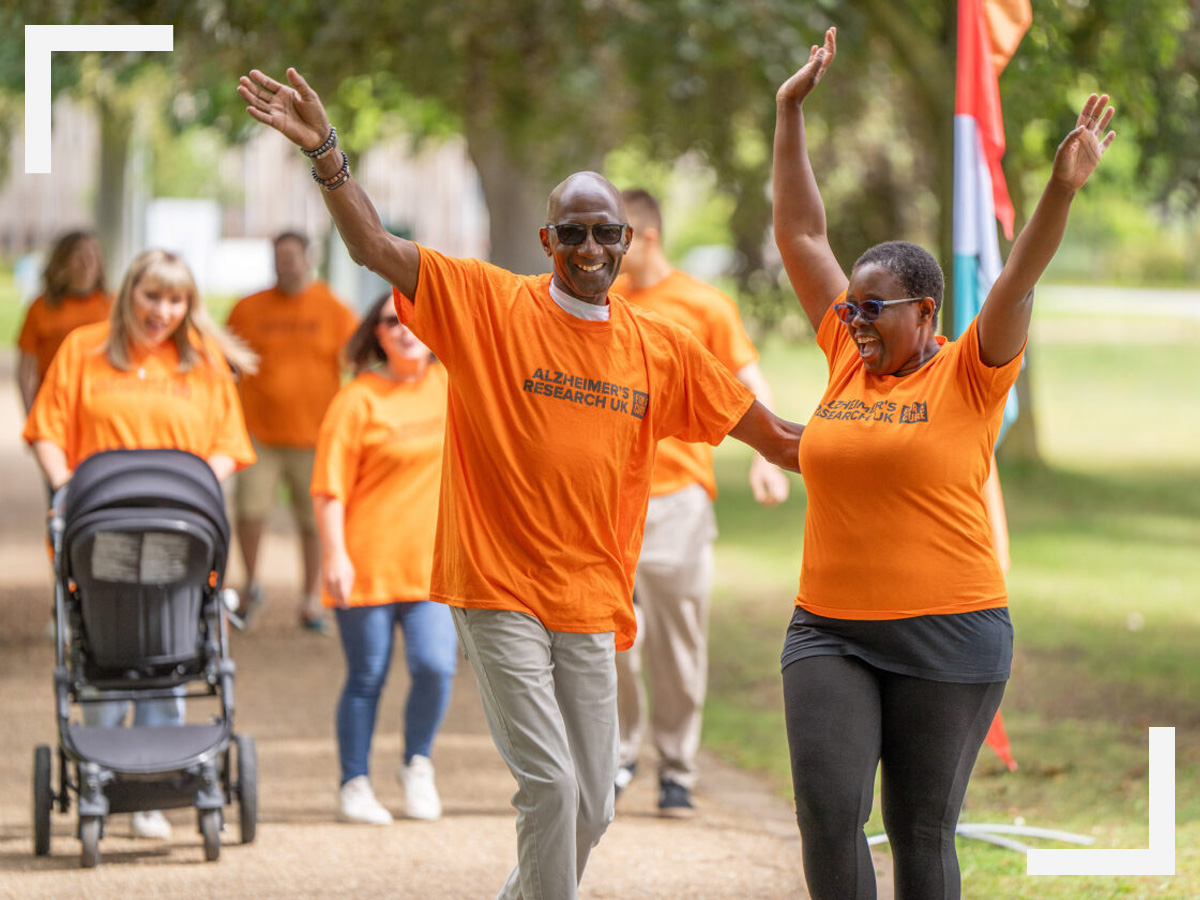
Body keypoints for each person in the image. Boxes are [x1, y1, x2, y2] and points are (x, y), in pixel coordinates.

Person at [239, 66, 804, 900]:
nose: (587, 251)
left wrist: (890, 425)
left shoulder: (663, 349)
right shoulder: (486, 303)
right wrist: (328, 153)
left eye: (603, 234)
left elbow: (781, 439)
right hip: (497, 587)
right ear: (547, 241)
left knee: (595, 804)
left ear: (627, 242)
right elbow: (374, 250)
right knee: (551, 787)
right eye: (571, 233)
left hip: (588, 596)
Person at [772, 28, 1114, 900]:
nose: (852, 320)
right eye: (849, 307)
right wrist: (788, 113)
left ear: (925, 313)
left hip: (952, 634)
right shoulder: (846, 353)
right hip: (829, 630)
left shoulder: (971, 368)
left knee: (923, 837)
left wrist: (1060, 192)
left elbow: (1018, 282)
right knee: (827, 817)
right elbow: (801, 231)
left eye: (873, 308)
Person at [24, 248, 257, 841]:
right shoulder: (83, 350)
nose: (163, 311)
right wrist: (64, 487)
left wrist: (197, 488)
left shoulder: (201, 362)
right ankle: (104, 766)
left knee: (168, 647)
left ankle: (155, 786)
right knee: (105, 647)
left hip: (178, 534)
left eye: (176, 300)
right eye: (152, 297)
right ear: (129, 293)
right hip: (99, 530)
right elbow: (46, 429)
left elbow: (229, 445)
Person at [612, 188, 790, 817]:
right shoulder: (601, 303)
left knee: (678, 642)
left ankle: (677, 768)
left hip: (678, 501)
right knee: (609, 640)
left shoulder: (702, 305)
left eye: (616, 235)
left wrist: (770, 457)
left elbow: (746, 379)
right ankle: (621, 752)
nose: (602, 248)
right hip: (608, 501)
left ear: (647, 236)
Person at [310, 293, 457, 825]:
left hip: (433, 568)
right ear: (376, 333)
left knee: (436, 667)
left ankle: (417, 763)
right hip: (366, 561)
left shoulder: (453, 386)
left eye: (414, 320)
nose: (403, 329)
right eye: (391, 321)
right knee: (366, 675)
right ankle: (354, 782)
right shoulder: (357, 400)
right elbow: (329, 489)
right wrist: (334, 555)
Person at [226, 232, 358, 634]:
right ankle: (250, 587)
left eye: (292, 257)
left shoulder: (333, 308)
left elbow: (358, 361)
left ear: (307, 259)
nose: (285, 264)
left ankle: (310, 599)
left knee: (314, 521)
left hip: (315, 436)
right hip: (258, 434)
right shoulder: (247, 309)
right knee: (249, 513)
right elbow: (225, 365)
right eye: (278, 257)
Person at [16, 230, 111, 416]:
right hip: (56, 405)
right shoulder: (41, 307)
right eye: (79, 254)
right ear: (62, 261)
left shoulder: (113, 306)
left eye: (93, 253)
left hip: (101, 404)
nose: (87, 261)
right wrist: (30, 414)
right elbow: (25, 368)